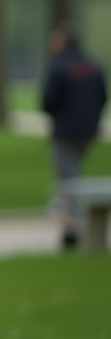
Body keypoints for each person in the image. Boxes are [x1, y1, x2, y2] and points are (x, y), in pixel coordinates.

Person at [41, 23, 107, 249]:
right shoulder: (93, 65)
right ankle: (73, 225)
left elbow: (47, 101)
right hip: (89, 131)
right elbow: (103, 96)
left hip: (66, 131)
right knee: (73, 174)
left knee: (68, 181)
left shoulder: (59, 67)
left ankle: (72, 230)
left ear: (62, 43)